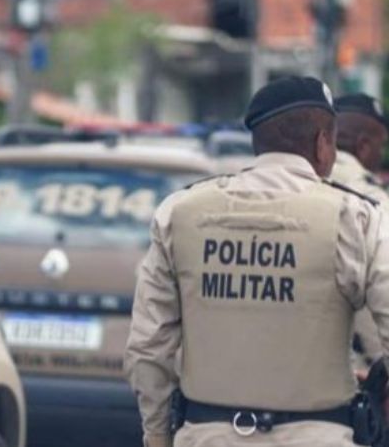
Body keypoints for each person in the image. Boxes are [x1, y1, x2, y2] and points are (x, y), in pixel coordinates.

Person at [124, 76, 389, 447]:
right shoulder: (356, 216)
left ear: (257, 142)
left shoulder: (180, 213)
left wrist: (156, 435)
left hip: (206, 435)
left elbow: (148, 347)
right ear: (322, 142)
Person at [330, 93, 389, 374]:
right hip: (355, 377)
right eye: (382, 146)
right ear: (364, 146)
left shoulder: (286, 191)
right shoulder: (374, 203)